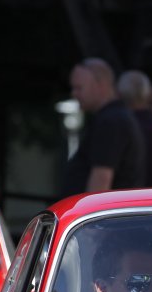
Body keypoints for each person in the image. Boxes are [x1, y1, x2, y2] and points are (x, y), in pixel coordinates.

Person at [61, 58, 145, 196]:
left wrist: (89, 208)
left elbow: (101, 179)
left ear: (101, 85)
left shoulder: (111, 121)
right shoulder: (114, 117)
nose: (74, 93)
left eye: (79, 88)